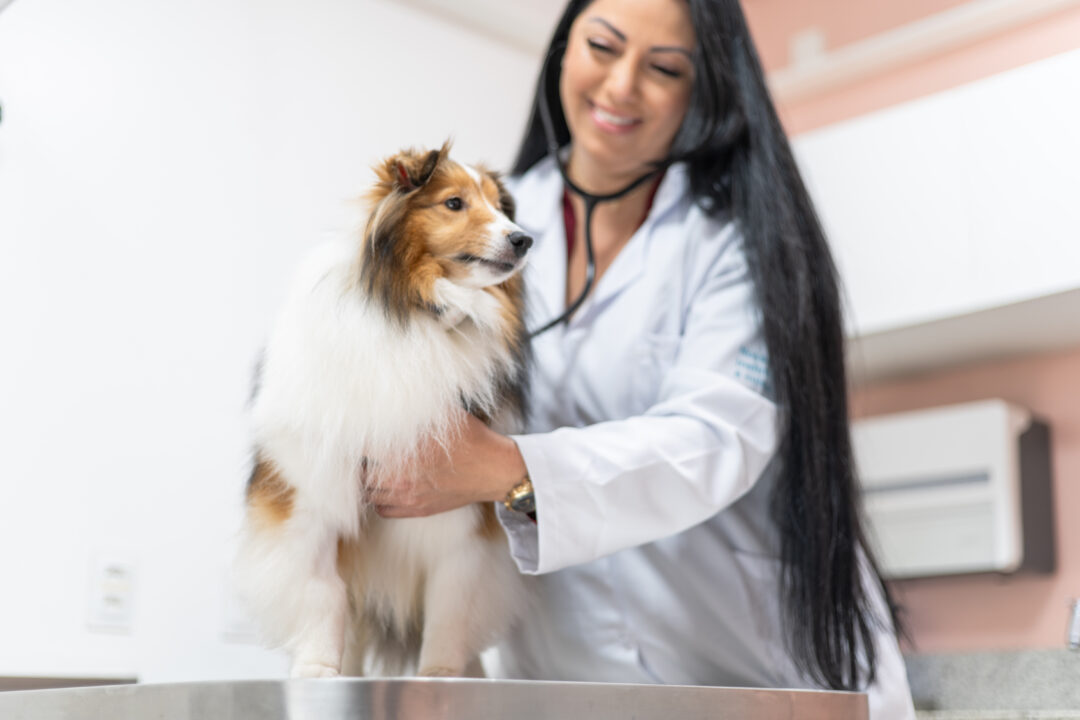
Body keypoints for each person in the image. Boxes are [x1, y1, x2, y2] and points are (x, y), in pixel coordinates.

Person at [370, 0, 917, 717]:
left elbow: (718, 435)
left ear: (702, 92)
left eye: (664, 68)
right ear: (564, 48)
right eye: (603, 45)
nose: (622, 85)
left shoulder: (734, 237)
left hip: (755, 674)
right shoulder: (485, 218)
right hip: (568, 684)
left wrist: (512, 468)